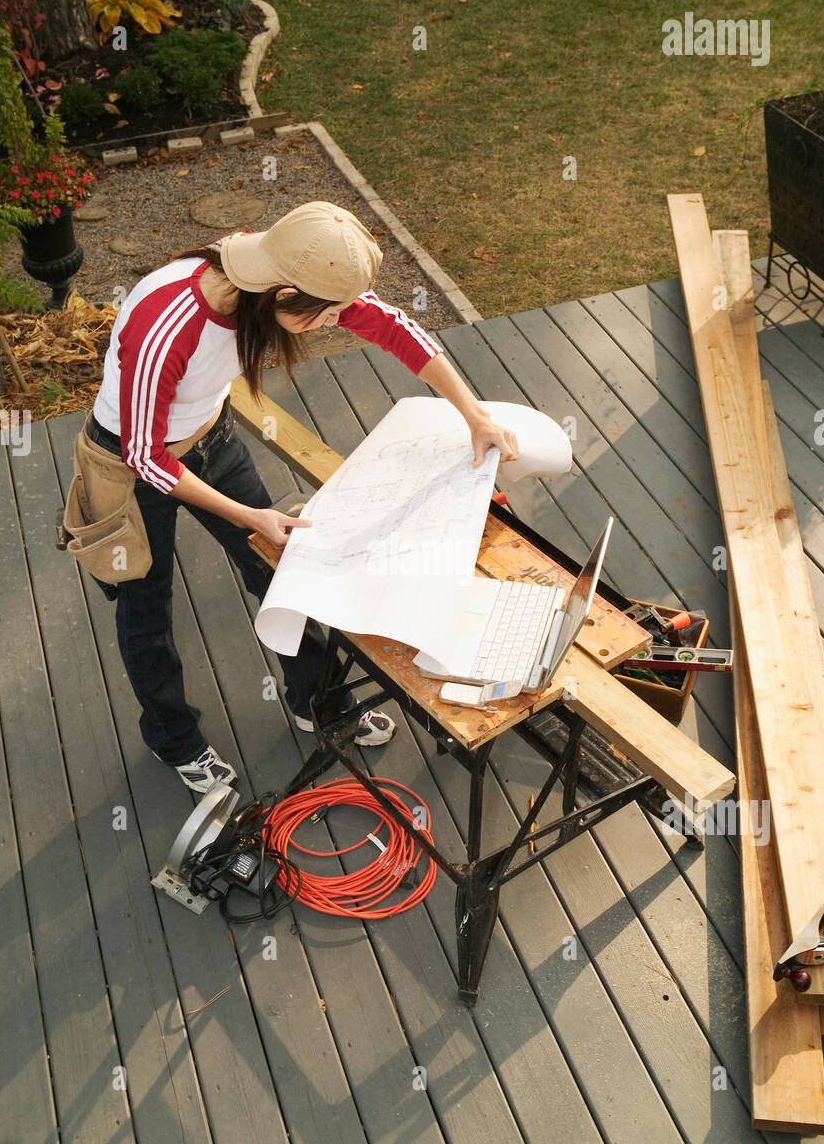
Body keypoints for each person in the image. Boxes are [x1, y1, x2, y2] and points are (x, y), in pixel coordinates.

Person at [87, 201, 518, 792]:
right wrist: (249, 516)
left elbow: (394, 326)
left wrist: (474, 415)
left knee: (282, 570)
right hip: (127, 463)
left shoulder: (283, 273)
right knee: (145, 608)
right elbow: (143, 455)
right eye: (328, 313)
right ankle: (173, 738)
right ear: (283, 292)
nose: (338, 322)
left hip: (209, 437)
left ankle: (318, 702)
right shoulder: (169, 326)